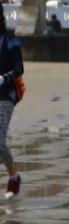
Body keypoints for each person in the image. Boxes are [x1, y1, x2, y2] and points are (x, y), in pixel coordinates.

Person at [0, 13, 23, 198]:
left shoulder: (10, 40)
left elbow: (19, 68)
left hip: (6, 95)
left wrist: (4, 78)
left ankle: (13, 177)